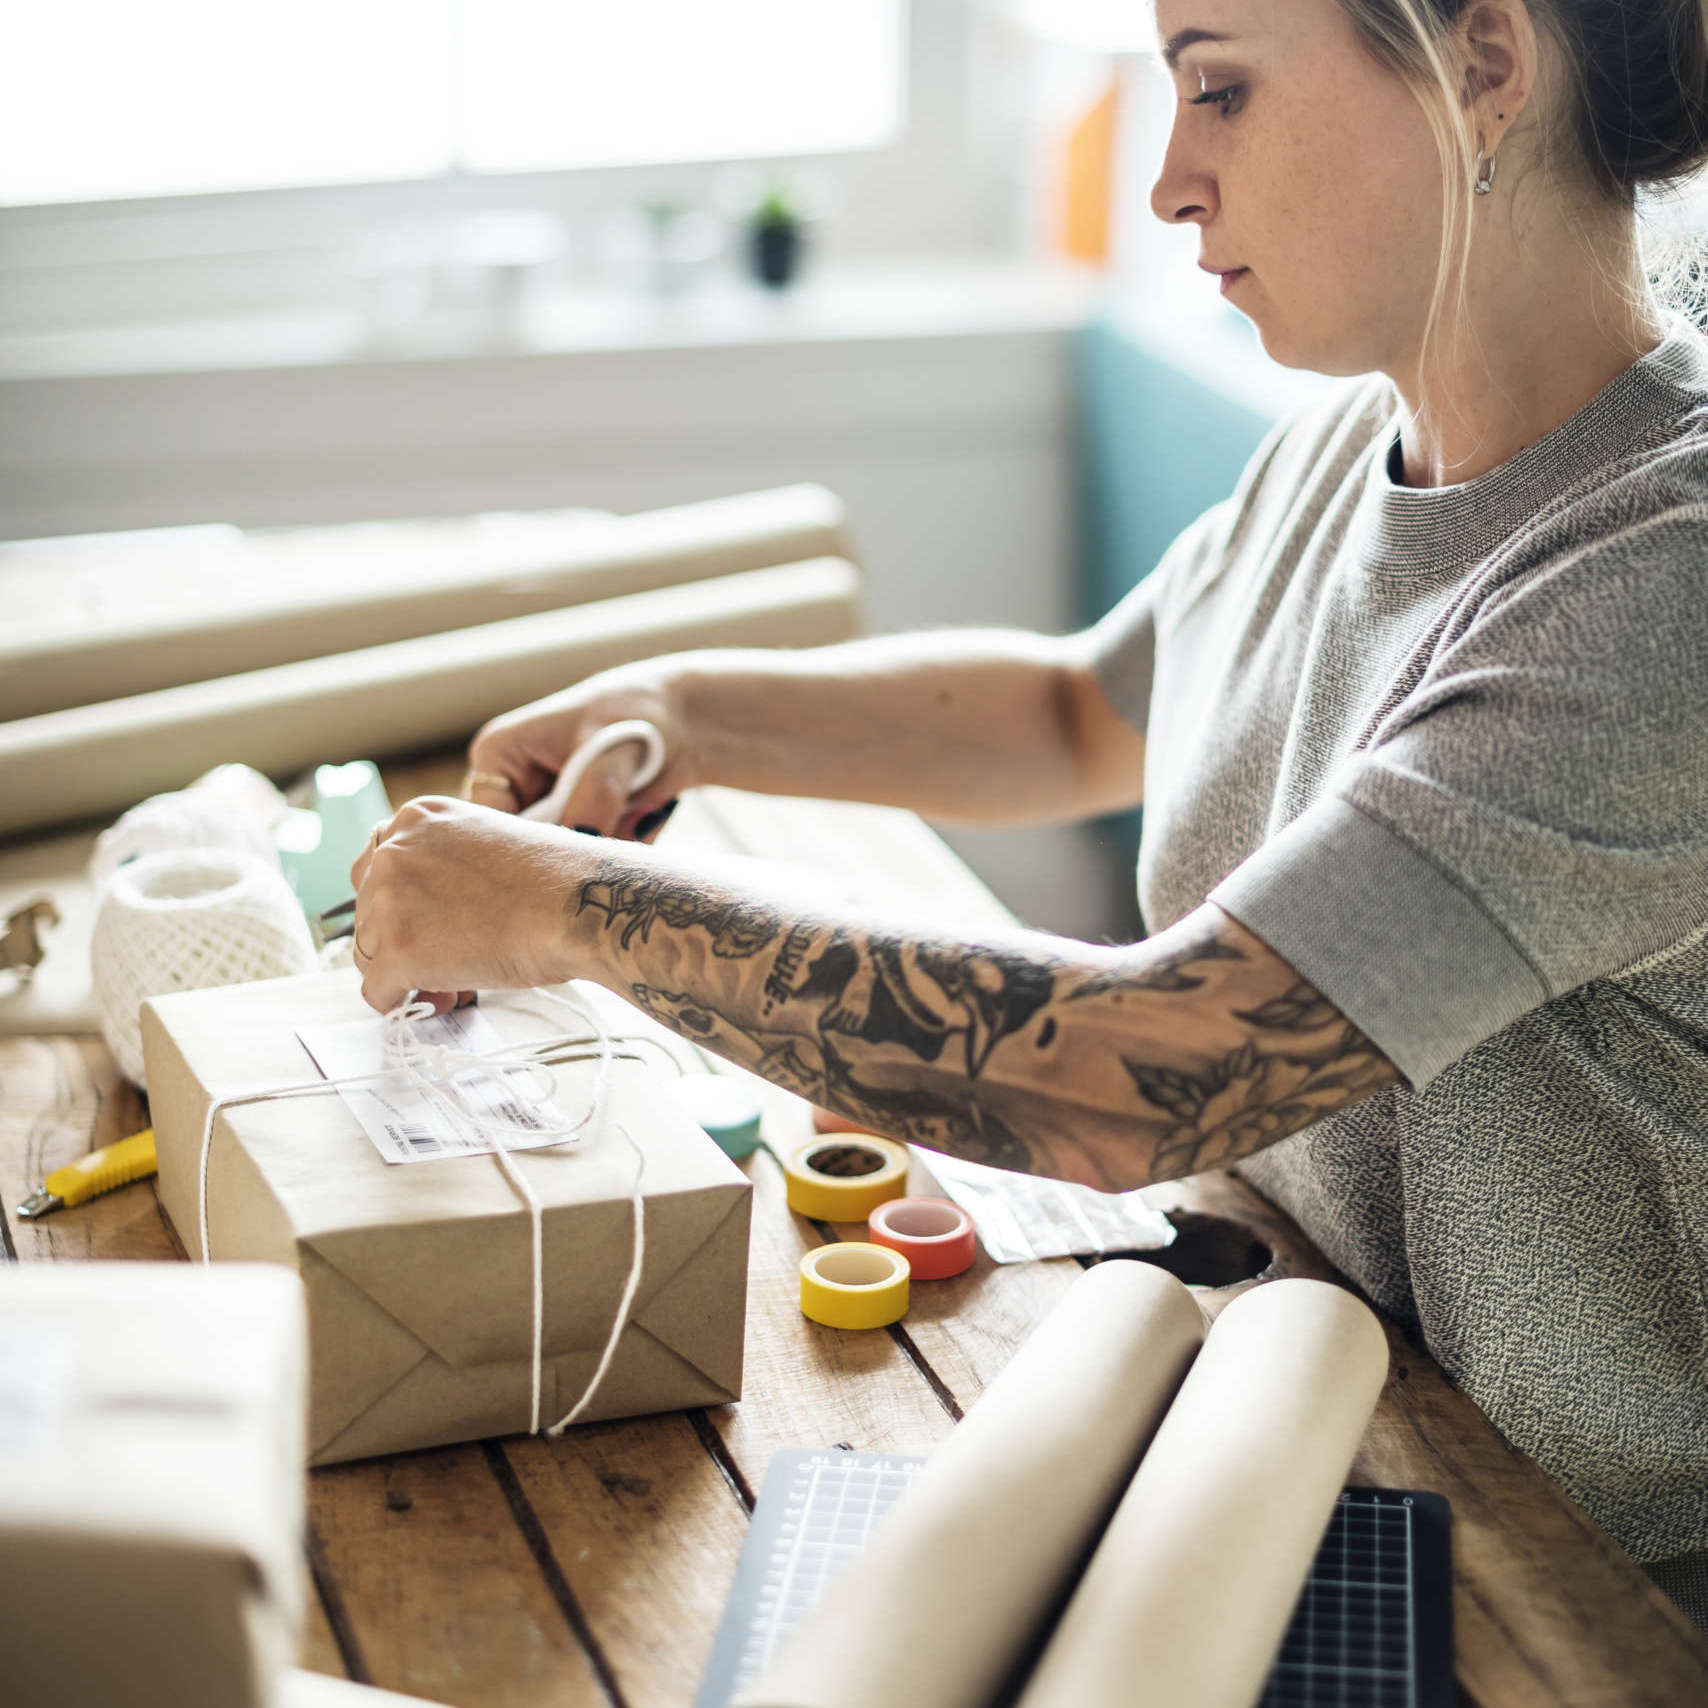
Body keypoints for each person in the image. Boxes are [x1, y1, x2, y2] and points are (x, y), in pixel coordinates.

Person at [350, 0, 1708, 1620]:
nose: (1171, 184)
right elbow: (1081, 709)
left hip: (1587, 1583)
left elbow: (1145, 1075)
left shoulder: (1654, 587)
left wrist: (559, 907)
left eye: (1221, 89)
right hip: (1324, 1415)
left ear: (1485, 63)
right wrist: (683, 714)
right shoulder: (1355, 444)